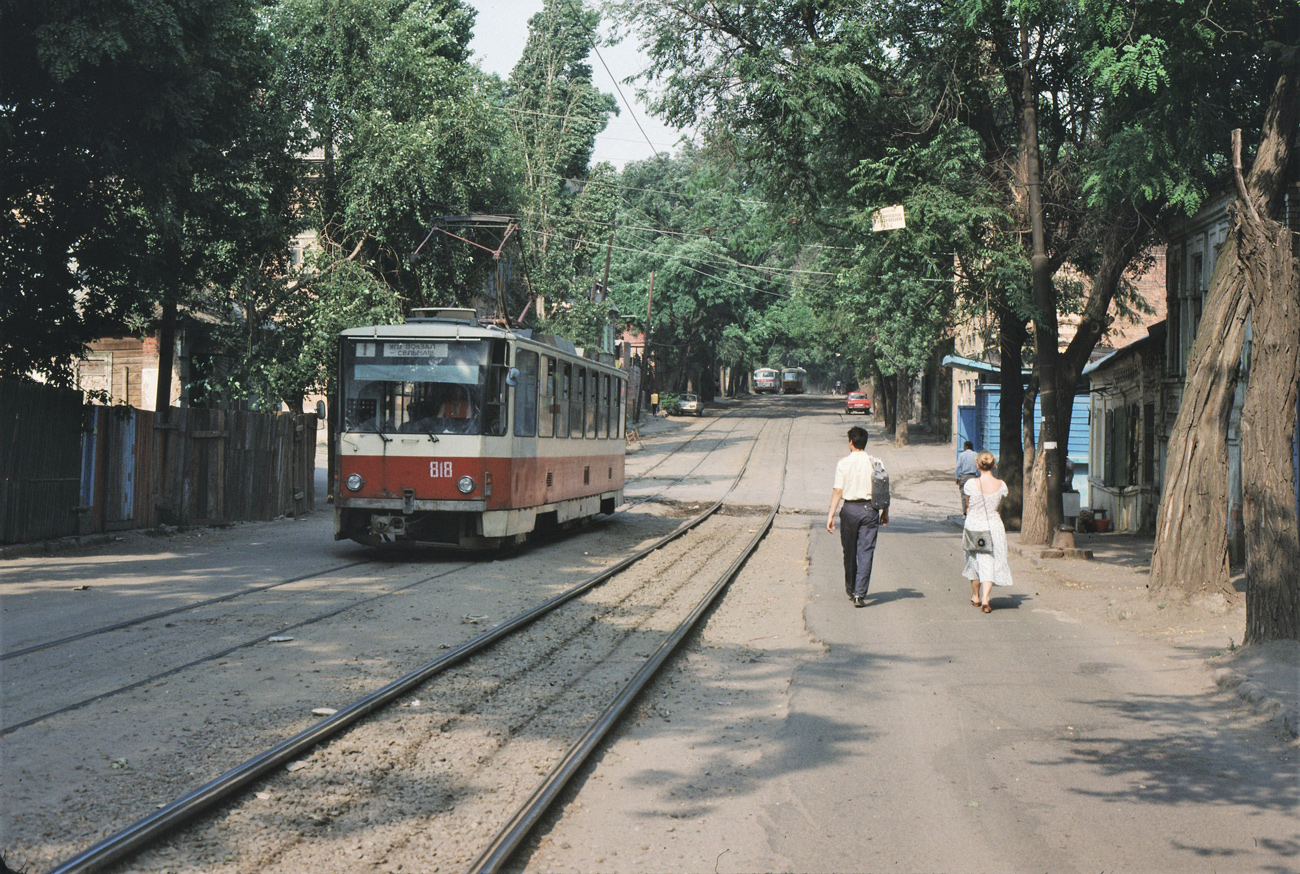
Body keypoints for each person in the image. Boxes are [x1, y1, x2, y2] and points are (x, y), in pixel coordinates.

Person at [826, 425, 888, 607]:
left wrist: (830, 515)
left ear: (851, 443)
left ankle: (851, 588)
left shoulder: (843, 463)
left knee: (850, 550)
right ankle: (860, 594)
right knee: (866, 552)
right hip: (870, 510)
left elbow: (838, 490)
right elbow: (883, 488)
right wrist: (885, 512)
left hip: (850, 510)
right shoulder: (876, 462)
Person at [962, 450, 1013, 612]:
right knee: (989, 560)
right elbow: (998, 506)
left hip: (975, 524)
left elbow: (969, 505)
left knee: (974, 560)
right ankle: (985, 597)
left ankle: (976, 595)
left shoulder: (971, 484)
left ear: (978, 466)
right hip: (993, 526)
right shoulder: (1001, 485)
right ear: (994, 465)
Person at [955, 440, 979, 513]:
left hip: (964, 477)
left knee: (964, 495)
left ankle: (965, 512)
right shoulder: (976, 455)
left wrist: (957, 477)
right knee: (973, 495)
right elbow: (979, 467)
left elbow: (957, 467)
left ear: (967, 447)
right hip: (973, 476)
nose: (963, 448)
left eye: (964, 446)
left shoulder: (962, 455)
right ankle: (972, 511)